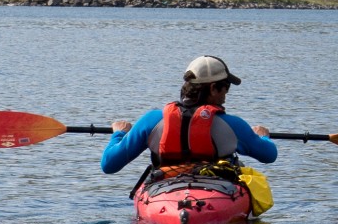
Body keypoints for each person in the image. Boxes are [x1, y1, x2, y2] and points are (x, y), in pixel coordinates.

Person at [102, 55, 280, 180]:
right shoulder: (232, 125)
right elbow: (269, 155)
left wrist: (118, 134)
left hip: (165, 191)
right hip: (216, 193)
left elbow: (109, 165)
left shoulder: (152, 120)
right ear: (213, 88)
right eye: (226, 88)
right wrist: (262, 136)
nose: (226, 94)